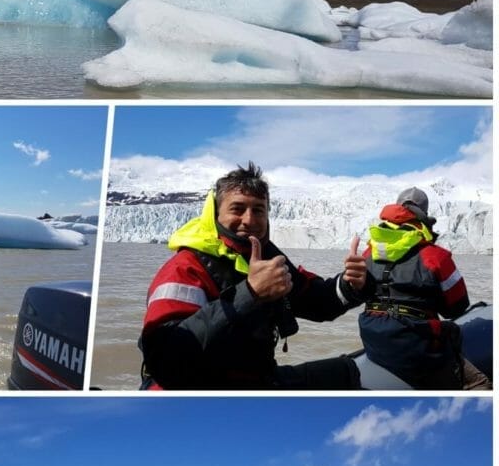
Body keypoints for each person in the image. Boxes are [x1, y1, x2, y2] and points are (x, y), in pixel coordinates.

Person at [139, 162, 367, 389]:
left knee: (347, 373)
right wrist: (249, 294)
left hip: (254, 380)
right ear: (215, 214)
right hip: (199, 391)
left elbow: (318, 302)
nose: (249, 220)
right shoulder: (185, 269)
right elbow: (164, 360)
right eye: (237, 209)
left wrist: (351, 283)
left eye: (258, 210)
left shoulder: (266, 258)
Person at [358, 187, 490, 389]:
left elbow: (358, 293)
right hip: (415, 344)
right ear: (424, 216)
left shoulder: (368, 253)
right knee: (479, 383)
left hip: (372, 338)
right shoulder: (436, 256)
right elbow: (457, 308)